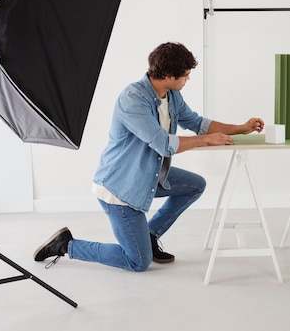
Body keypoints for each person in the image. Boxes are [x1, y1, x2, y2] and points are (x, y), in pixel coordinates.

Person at [33, 42, 264, 271]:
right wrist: (206, 140)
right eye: (184, 75)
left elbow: (196, 123)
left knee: (195, 185)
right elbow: (163, 144)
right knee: (137, 261)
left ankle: (149, 235)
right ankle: (66, 245)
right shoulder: (132, 99)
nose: (188, 79)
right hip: (121, 189)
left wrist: (241, 127)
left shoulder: (171, 96)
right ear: (167, 75)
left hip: (148, 176)